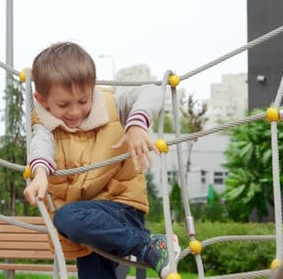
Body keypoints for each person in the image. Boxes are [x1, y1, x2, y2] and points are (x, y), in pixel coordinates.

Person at [23, 41, 180, 279]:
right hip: (87, 226)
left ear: (92, 89)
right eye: (64, 104)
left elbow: (153, 90)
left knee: (65, 217)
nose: (75, 111)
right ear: (42, 100)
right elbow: (40, 146)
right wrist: (40, 174)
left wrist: (137, 124)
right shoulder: (44, 124)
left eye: (83, 101)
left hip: (120, 209)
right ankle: (145, 245)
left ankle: (149, 245)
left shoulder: (112, 105)